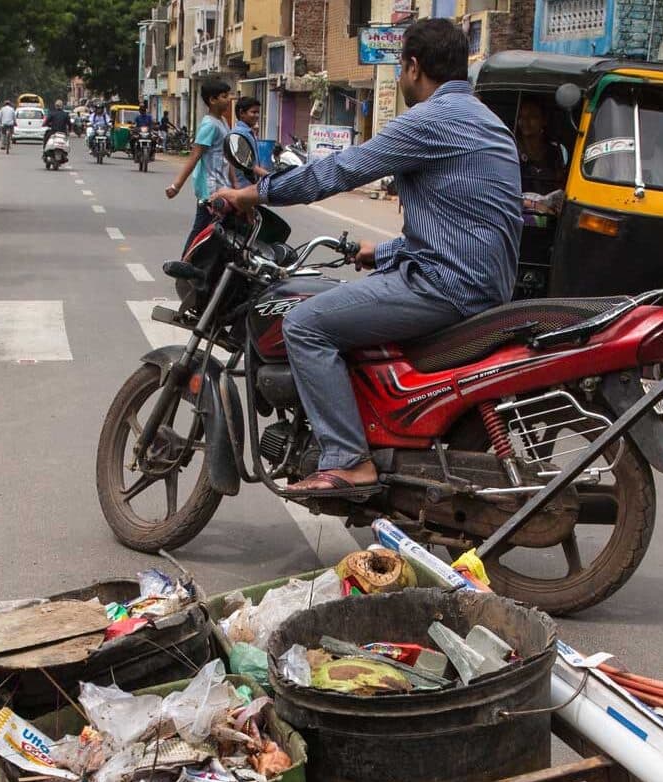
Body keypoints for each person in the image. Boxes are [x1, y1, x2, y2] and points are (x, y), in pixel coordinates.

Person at [210, 19, 521, 496]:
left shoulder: (429, 120)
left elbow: (337, 172)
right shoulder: (486, 120)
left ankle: (348, 460)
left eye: (401, 65)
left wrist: (253, 193)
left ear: (414, 67)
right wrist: (388, 251)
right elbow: (466, 224)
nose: (400, 75)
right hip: (481, 282)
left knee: (305, 324)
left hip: (446, 288)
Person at [165, 81, 236, 244]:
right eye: (224, 96)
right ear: (212, 100)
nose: (228, 100)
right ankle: (184, 263)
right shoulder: (210, 125)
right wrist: (176, 186)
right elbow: (195, 156)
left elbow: (228, 156)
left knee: (218, 232)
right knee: (201, 230)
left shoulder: (223, 122)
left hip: (223, 186)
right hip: (209, 190)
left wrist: (235, 184)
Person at [233, 97, 269, 177]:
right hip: (243, 183)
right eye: (253, 112)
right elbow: (247, 163)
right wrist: (269, 176)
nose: (257, 115)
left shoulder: (248, 132)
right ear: (242, 113)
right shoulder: (240, 133)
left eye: (258, 112)